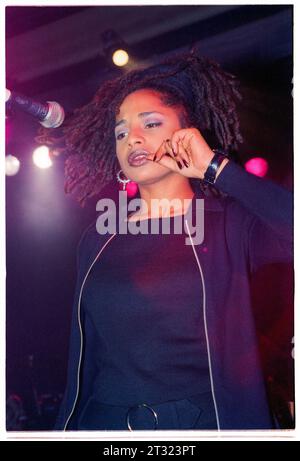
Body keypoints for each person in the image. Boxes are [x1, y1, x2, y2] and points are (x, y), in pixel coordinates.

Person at [39, 48, 293, 431]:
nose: (132, 139)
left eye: (151, 124)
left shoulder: (229, 224)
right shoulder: (99, 237)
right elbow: (85, 361)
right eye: (121, 131)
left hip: (200, 425)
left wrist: (216, 169)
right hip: (102, 423)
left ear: (187, 133)